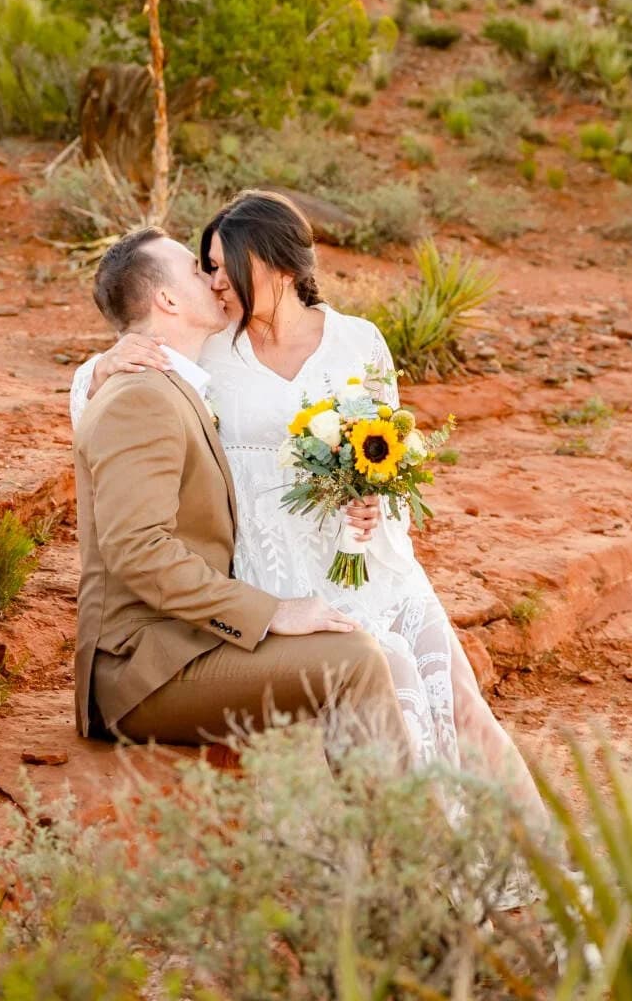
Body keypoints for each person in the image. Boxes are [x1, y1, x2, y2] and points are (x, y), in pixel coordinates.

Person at [71, 191, 542, 807]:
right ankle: (420, 870)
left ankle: (521, 877)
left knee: (456, 700)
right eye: (202, 266)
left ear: (273, 264)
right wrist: (104, 364)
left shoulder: (357, 340)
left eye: (221, 265)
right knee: (379, 678)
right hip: (268, 567)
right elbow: (117, 400)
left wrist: (377, 504)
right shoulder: (202, 350)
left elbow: (392, 446)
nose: (214, 282)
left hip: (362, 551)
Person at [71, 224, 414, 762]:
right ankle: (400, 843)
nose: (213, 279)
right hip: (142, 672)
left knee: (353, 645)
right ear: (166, 298)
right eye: (196, 269)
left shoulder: (174, 386)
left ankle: (371, 834)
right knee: (353, 660)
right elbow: (135, 550)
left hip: (184, 644)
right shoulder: (140, 396)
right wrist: (271, 610)